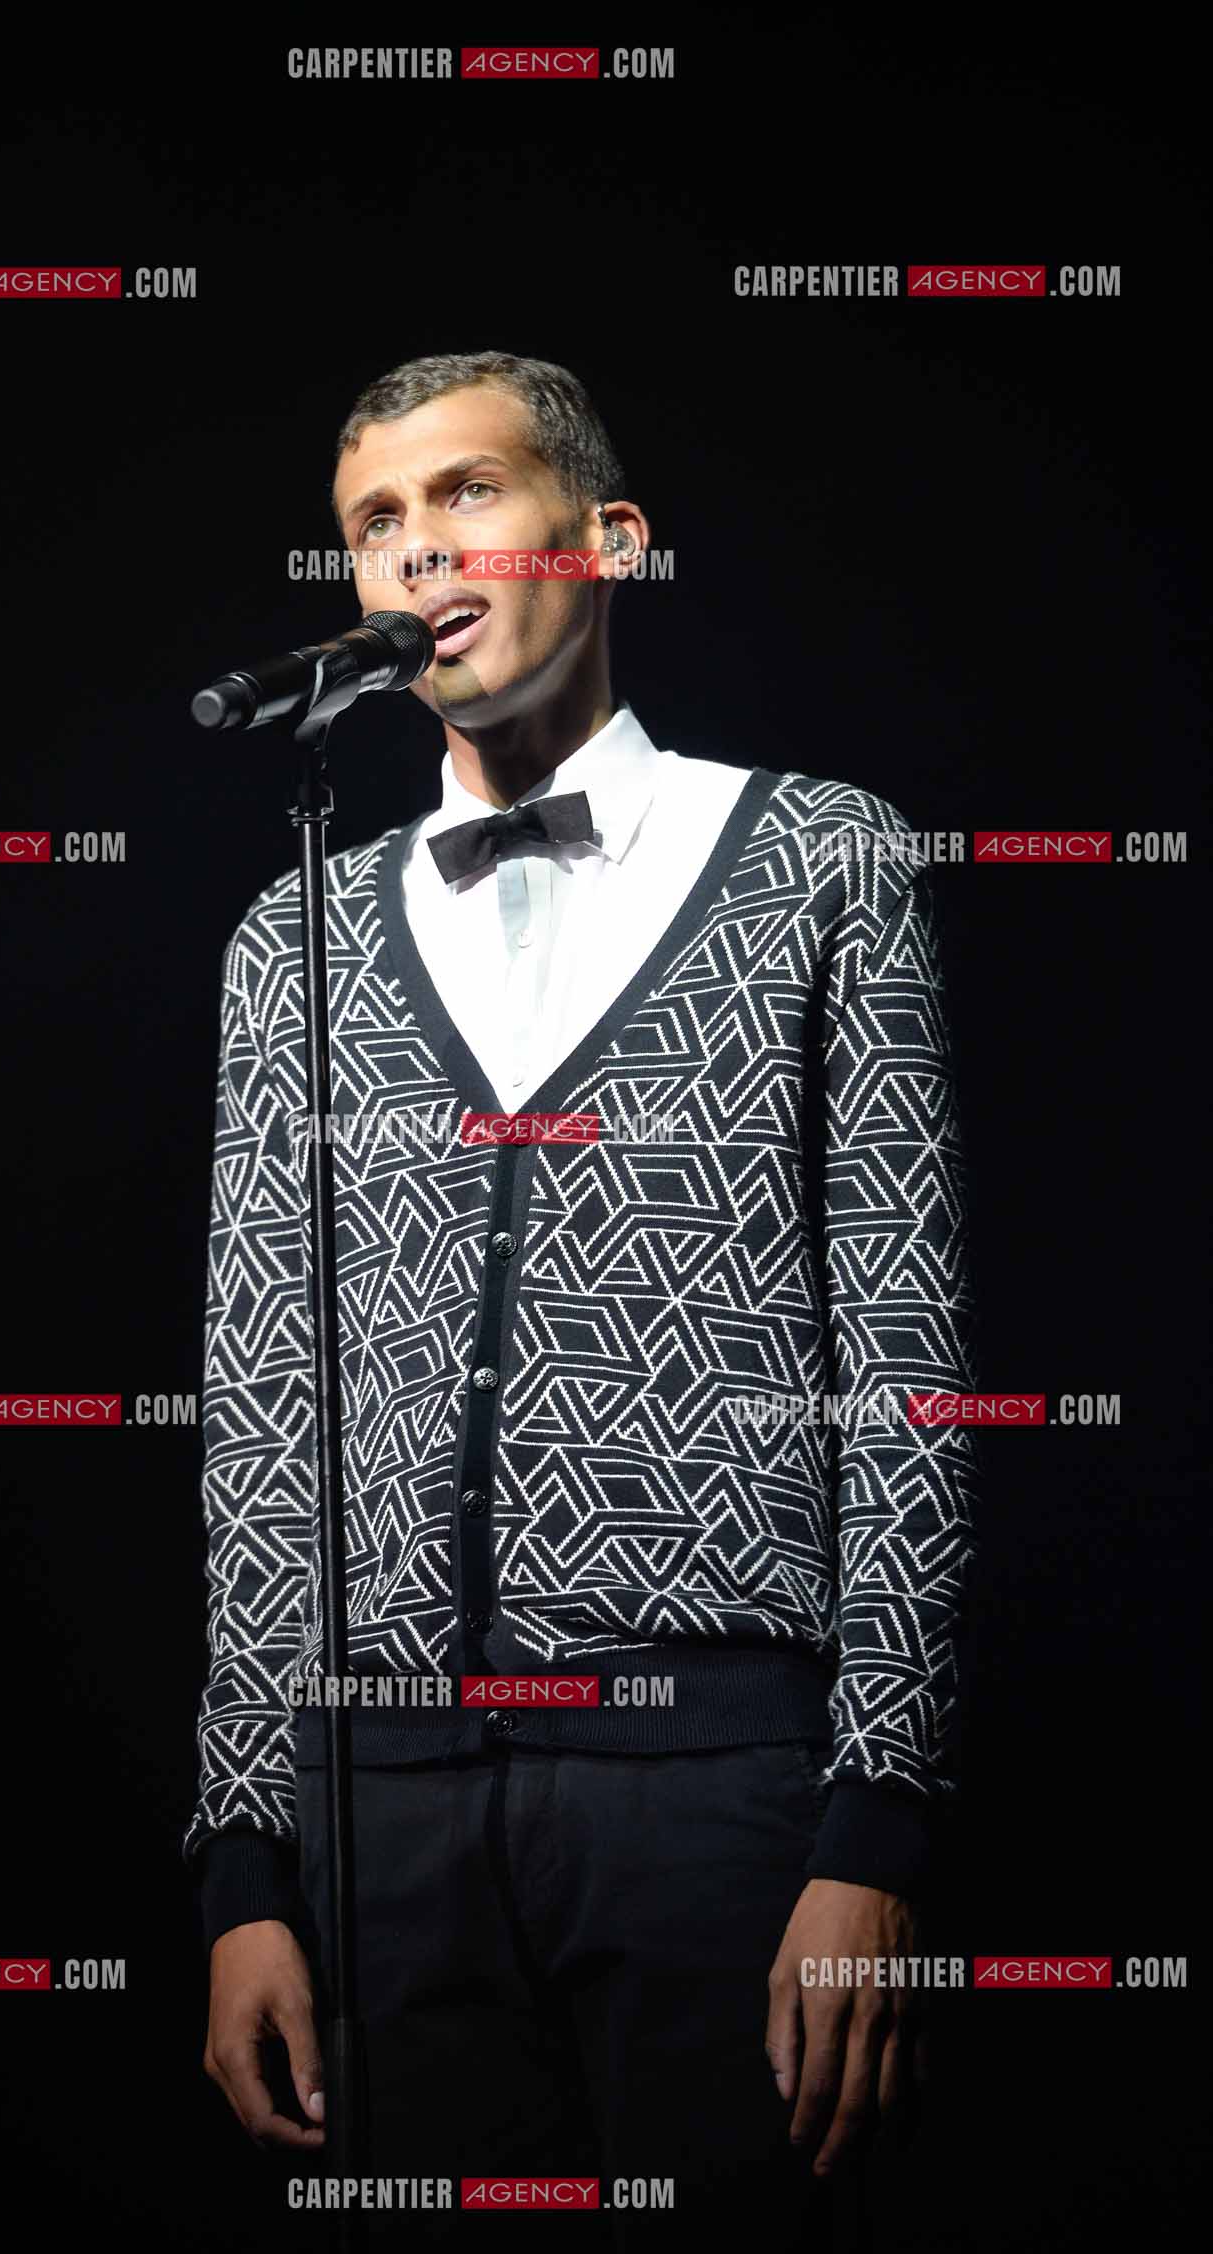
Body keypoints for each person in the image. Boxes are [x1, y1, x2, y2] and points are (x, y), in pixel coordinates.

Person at [184, 351, 978, 2246]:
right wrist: (240, 1871)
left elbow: (908, 1362)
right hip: (378, 1808)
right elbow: (260, 1423)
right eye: (375, 523)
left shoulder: (817, 858)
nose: (414, 553)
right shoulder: (289, 933)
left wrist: (877, 1822)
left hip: (714, 1785)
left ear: (609, 544)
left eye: (464, 495)